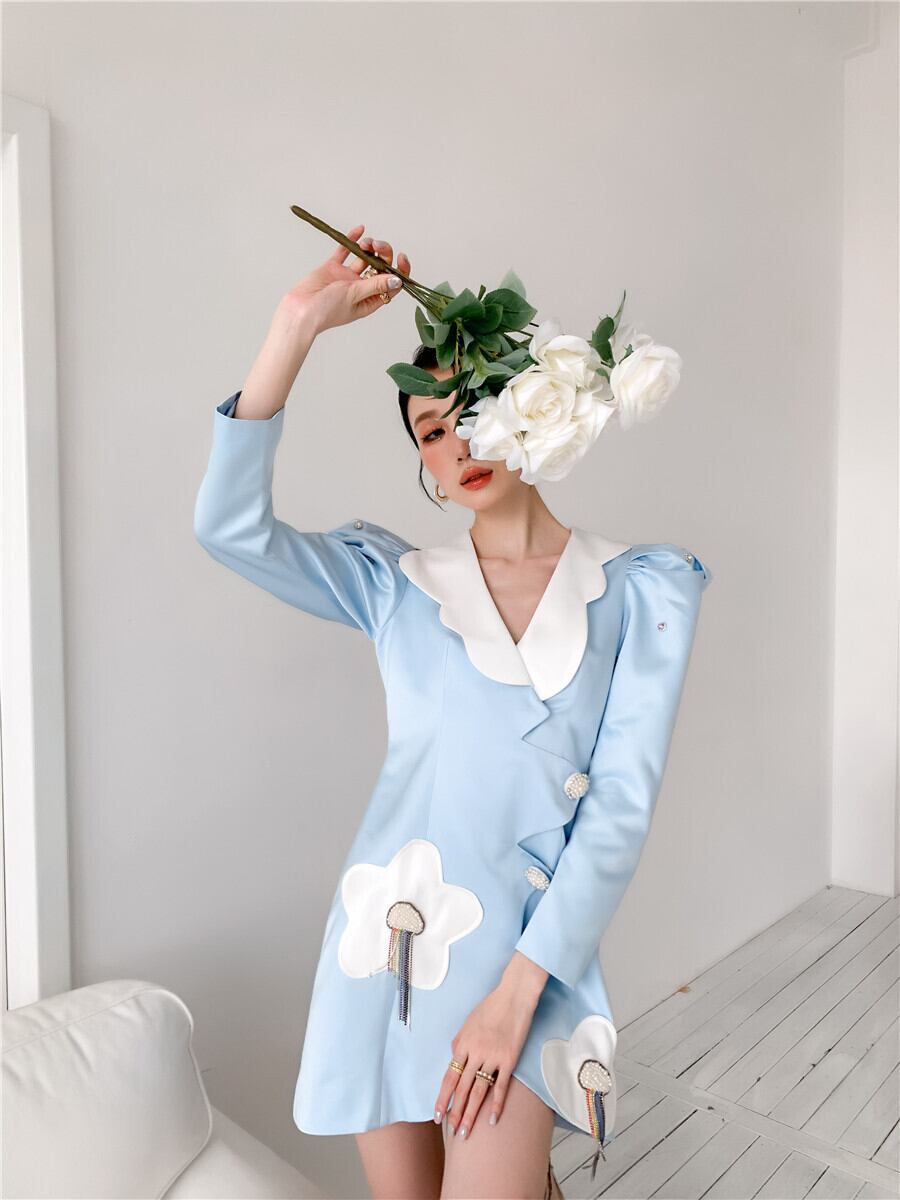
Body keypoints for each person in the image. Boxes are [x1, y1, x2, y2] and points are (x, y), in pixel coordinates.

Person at [193, 224, 713, 1200]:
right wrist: (295, 327)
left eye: (472, 413)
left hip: (528, 969)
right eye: (431, 432)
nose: (456, 445)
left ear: (530, 410)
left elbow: (618, 811)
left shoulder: (639, 590)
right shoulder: (394, 583)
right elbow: (229, 528)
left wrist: (515, 999)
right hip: (392, 953)